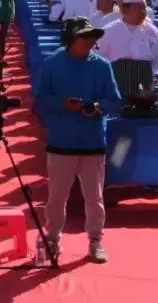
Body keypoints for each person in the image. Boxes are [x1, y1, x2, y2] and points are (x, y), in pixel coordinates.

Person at [33, 17, 120, 264]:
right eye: (85, 36)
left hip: (93, 141)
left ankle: (95, 240)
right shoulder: (52, 65)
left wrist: (97, 107)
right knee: (56, 197)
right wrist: (62, 105)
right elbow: (39, 101)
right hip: (62, 140)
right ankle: (52, 238)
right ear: (72, 39)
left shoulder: (102, 66)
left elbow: (113, 99)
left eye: (93, 37)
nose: (91, 41)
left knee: (94, 197)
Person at [96, 0, 158, 75]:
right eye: (139, 8)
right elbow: (99, 56)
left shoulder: (153, 31)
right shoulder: (109, 30)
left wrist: (149, 74)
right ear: (125, 9)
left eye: (144, 8)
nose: (143, 12)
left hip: (143, 81)